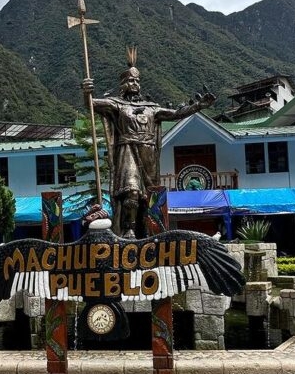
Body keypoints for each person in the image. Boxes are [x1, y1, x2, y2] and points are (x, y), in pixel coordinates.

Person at [82, 47, 214, 237]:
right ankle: (129, 229)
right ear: (122, 84)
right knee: (131, 192)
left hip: (149, 154)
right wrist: (86, 91)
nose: (134, 83)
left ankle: (150, 232)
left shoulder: (151, 108)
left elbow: (176, 114)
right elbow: (91, 104)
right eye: (130, 80)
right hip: (127, 150)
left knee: (149, 197)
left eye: (136, 80)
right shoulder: (117, 105)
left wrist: (198, 106)